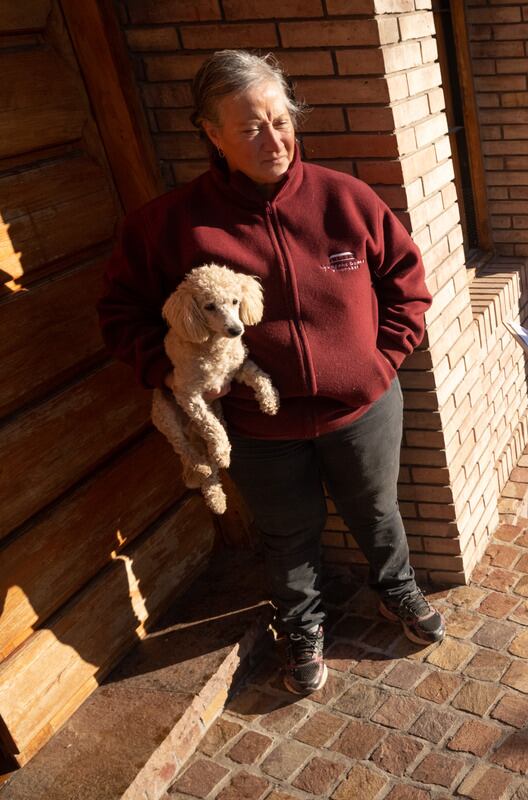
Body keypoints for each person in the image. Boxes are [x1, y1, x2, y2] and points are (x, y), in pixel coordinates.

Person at [97, 50, 444, 696]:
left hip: (362, 409)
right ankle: (303, 624)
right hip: (260, 426)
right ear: (211, 133)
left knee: (377, 511)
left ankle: (397, 589)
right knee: (287, 535)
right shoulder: (169, 225)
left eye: (281, 120)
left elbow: (409, 288)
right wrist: (173, 373)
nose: (274, 139)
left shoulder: (347, 200)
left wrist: (381, 360)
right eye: (251, 127)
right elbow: (120, 315)